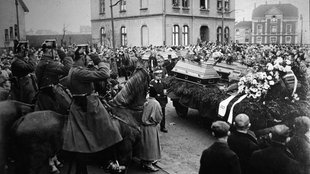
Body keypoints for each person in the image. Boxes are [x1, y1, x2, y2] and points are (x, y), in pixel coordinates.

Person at [62, 47, 123, 153]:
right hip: (88, 104)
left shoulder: (73, 69)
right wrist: (98, 60)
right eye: (87, 58)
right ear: (82, 58)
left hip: (79, 103)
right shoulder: (80, 72)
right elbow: (105, 74)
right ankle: (108, 160)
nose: (88, 60)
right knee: (109, 128)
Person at [34, 42, 73, 112]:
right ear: (49, 51)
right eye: (54, 50)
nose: (56, 52)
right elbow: (68, 69)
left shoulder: (44, 61)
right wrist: (65, 57)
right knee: (70, 109)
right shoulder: (49, 63)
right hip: (50, 94)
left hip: (45, 93)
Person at [137, 86, 162, 172]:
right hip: (150, 127)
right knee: (150, 146)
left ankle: (143, 161)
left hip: (142, 126)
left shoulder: (144, 102)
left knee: (144, 145)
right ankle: (149, 164)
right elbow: (159, 117)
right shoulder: (156, 103)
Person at [149, 68, 168, 133]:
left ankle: (163, 126)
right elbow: (151, 93)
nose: (159, 77)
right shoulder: (152, 83)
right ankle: (153, 127)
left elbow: (165, 91)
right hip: (155, 100)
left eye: (160, 76)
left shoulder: (163, 83)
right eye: (157, 76)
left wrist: (165, 96)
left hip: (162, 101)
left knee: (162, 114)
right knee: (153, 113)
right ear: (154, 76)